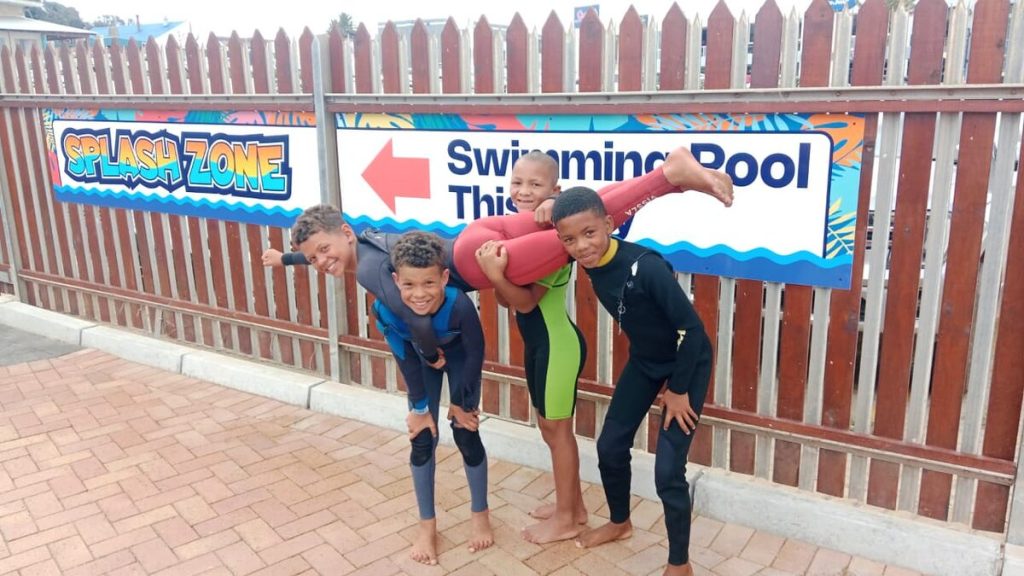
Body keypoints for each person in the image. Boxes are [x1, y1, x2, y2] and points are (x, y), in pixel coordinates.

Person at [262, 146, 732, 369]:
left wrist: (431, 355)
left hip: (479, 257)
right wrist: (286, 259)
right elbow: (319, 253)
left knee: (577, 225)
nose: (322, 262)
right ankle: (669, 175)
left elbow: (411, 311)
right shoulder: (360, 241)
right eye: (314, 258)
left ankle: (668, 175)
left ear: (342, 234)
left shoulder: (366, 268)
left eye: (323, 252)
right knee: (574, 213)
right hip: (481, 231)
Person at [550, 186, 712, 576]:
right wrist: (543, 207)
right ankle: (620, 522)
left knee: (667, 471)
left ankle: (680, 564)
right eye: (569, 239)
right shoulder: (587, 260)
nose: (581, 246)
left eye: (589, 234)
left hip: (686, 364)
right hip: (646, 361)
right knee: (610, 446)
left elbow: (692, 330)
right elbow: (539, 224)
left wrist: (677, 390)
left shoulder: (646, 267)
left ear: (608, 224)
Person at [474, 151, 587, 544]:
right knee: (546, 427)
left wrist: (494, 275)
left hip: (558, 345)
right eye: (517, 182)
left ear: (554, 191)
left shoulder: (554, 241)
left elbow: (525, 301)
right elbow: (511, 299)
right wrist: (500, 279)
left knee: (559, 431)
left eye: (535, 185)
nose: (524, 191)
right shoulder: (522, 235)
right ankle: (574, 505)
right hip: (540, 344)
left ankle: (568, 519)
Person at [369, 231, 493, 564]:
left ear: (445, 277)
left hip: (460, 364)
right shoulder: (384, 308)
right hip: (420, 365)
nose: (419, 294)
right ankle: (427, 525)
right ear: (395, 281)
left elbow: (475, 352)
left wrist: (461, 400)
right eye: (408, 285)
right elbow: (403, 357)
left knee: (465, 432)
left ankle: (480, 513)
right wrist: (420, 408)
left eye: (429, 283)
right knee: (422, 438)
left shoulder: (459, 304)